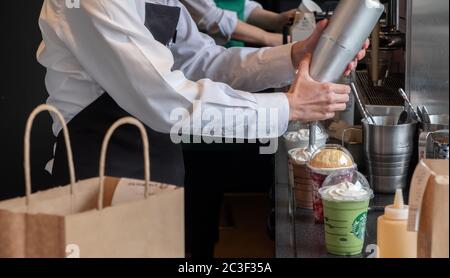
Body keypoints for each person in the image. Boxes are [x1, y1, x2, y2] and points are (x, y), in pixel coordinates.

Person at [37, 0, 367, 257]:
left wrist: (294, 55)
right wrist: (288, 106)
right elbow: (164, 98)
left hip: (159, 170)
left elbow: (201, 63)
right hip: (100, 176)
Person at [180, 0, 296, 47]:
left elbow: (240, 5)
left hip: (232, 53)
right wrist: (270, 38)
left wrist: (277, 20)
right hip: (203, 59)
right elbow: (212, 18)